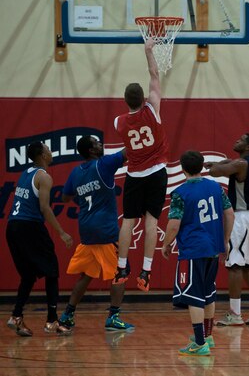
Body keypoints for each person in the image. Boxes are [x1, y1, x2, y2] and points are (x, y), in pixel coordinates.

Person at [162, 150, 234, 356]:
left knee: (194, 296)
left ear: (182, 169)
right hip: (213, 247)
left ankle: (200, 343)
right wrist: (226, 240)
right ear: (202, 165)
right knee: (208, 292)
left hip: (193, 249)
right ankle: (208, 336)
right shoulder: (216, 187)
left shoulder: (180, 193)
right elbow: (229, 214)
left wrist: (166, 244)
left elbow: (174, 225)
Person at [59, 135, 134, 331]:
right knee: (121, 271)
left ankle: (67, 314)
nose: (101, 144)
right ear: (92, 151)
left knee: (86, 275)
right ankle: (113, 317)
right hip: (106, 230)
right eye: (97, 143)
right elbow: (129, 150)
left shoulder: (76, 172)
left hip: (86, 231)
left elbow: (66, 197)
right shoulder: (104, 164)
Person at [112, 38, 169, 292]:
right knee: (151, 222)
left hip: (134, 174)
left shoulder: (119, 122)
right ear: (143, 98)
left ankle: (122, 267)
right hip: (157, 172)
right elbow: (154, 74)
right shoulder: (152, 109)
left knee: (127, 221)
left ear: (125, 101)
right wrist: (148, 50)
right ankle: (146, 272)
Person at [6, 141, 73, 337]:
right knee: (52, 270)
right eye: (48, 149)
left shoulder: (25, 173)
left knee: (28, 275)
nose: (51, 152)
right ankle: (52, 321)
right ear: (43, 155)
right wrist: (61, 232)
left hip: (12, 227)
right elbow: (44, 208)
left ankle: (16, 316)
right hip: (29, 226)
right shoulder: (44, 177)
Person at [206, 133, 249, 325]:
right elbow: (228, 165)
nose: (237, 140)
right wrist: (224, 164)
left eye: (241, 139)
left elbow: (215, 172)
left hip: (244, 217)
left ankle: (235, 314)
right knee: (248, 266)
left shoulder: (242, 164)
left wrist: (217, 166)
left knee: (234, 265)